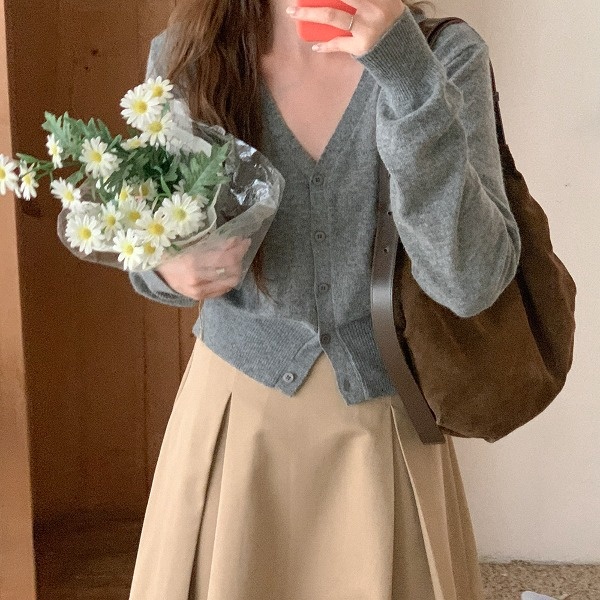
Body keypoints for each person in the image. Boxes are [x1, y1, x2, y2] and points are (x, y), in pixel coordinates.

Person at [127, 0, 521, 599]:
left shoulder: (442, 55)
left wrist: (407, 77)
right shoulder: (188, 56)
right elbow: (143, 240)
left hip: (386, 428)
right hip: (234, 427)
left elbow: (470, 283)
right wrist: (168, 266)